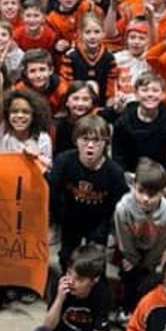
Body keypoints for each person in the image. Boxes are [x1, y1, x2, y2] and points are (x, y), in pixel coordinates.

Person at [47, 115, 127, 271]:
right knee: (65, 259)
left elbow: (118, 205)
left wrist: (109, 232)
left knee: (95, 264)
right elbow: (52, 191)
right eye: (85, 139)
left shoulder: (114, 172)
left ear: (105, 143)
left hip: (98, 223)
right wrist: (56, 219)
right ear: (76, 140)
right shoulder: (64, 161)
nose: (90, 146)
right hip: (70, 219)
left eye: (97, 141)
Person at [111, 159, 166, 321]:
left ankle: (144, 310)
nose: (145, 199)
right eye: (141, 191)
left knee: (150, 279)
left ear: (162, 192)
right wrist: (131, 258)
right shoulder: (123, 208)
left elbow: (163, 242)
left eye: (152, 194)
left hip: (153, 250)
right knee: (127, 275)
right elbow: (123, 236)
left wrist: (149, 262)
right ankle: (125, 308)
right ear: (133, 185)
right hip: (129, 248)